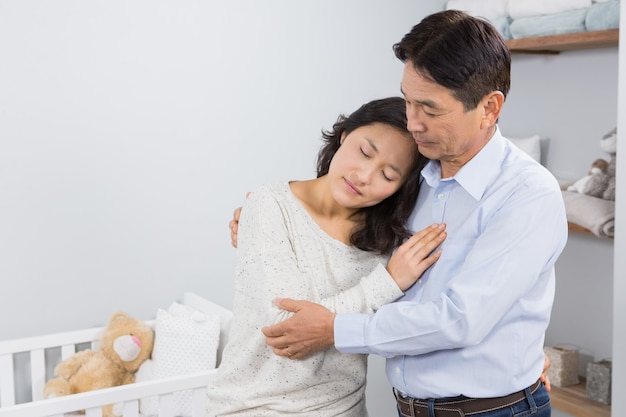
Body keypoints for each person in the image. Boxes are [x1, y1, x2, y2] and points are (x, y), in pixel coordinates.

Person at [230, 10, 566, 417]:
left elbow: (460, 320)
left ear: (489, 108)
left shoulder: (527, 193)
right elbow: (343, 232)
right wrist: (268, 217)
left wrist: (334, 329)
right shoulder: (412, 178)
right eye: (408, 100)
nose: (413, 122)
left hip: (492, 410)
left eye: (429, 109)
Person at [208, 97, 447, 416]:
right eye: (364, 152)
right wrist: (387, 283)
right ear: (345, 135)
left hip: (342, 409)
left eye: (387, 176)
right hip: (252, 408)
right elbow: (285, 330)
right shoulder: (270, 206)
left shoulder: (392, 240)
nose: (364, 176)